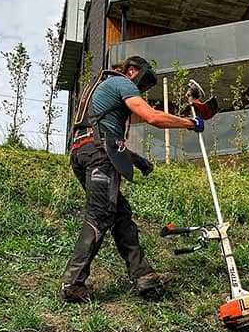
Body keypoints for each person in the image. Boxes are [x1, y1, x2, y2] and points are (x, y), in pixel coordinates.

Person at [60, 55, 205, 302]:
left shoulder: (99, 86)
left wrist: (137, 160)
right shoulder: (122, 82)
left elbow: (99, 134)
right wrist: (190, 123)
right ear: (131, 71)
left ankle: (143, 275)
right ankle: (72, 283)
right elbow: (152, 117)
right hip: (99, 157)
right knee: (99, 216)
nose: (140, 90)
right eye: (142, 83)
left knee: (120, 215)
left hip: (84, 154)